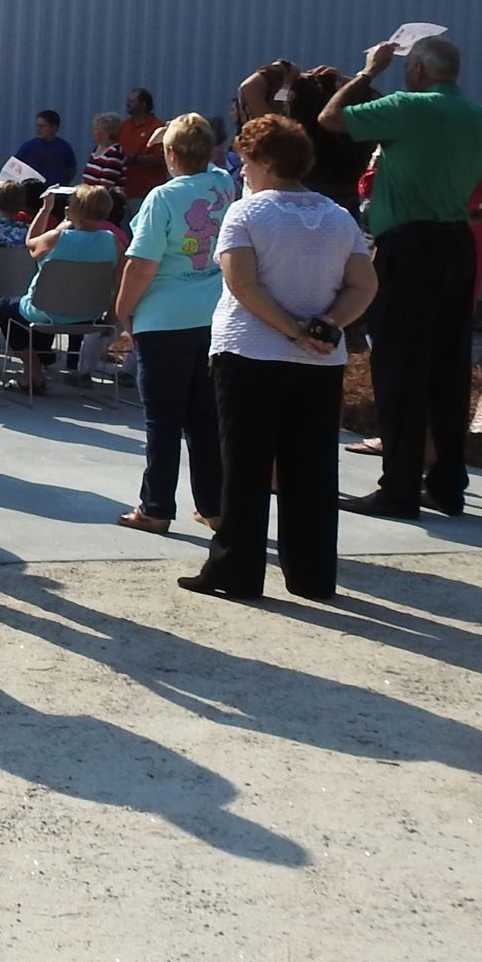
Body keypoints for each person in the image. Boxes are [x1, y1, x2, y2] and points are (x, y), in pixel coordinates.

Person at [319, 33, 482, 519]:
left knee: (398, 366)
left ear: (417, 69)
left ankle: (398, 487)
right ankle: (446, 484)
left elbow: (329, 118)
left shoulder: (408, 106)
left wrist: (369, 71)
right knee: (447, 367)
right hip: (455, 244)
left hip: (409, 245)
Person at [180, 116, 377, 602]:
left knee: (245, 467)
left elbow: (242, 284)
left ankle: (236, 571)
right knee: (311, 469)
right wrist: (327, 324)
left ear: (266, 162)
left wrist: (291, 330)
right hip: (320, 361)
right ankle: (311, 575)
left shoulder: (246, 214)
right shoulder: (337, 215)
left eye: (246, 161)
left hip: (250, 352)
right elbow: (364, 284)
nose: (242, 170)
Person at [108, 112, 235, 534]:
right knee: (204, 417)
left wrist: (123, 310)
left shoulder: (161, 198)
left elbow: (142, 264)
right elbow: (212, 161)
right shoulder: (222, 185)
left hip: (164, 319)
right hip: (212, 313)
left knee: (162, 420)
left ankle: (157, 505)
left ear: (170, 154)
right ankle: (213, 505)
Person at [3, 184, 120, 397]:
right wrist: (109, 321)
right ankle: (39, 367)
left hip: (44, 311)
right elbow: (119, 283)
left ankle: (33, 371)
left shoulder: (58, 238)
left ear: (75, 209)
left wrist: (45, 209)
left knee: (5, 309)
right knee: (31, 311)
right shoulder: (113, 242)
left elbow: (31, 244)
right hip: (88, 315)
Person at [118, 88, 168, 203]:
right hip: (123, 192)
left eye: (132, 101)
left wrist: (135, 159)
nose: (127, 103)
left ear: (143, 105)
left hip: (147, 194)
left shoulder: (157, 128)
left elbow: (161, 158)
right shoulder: (124, 126)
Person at [82, 111, 128, 190]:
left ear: (107, 133)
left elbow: (105, 186)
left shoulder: (115, 153)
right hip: (90, 198)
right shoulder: (96, 149)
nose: (94, 132)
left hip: (105, 200)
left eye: (97, 129)